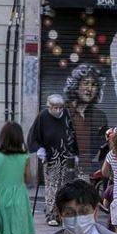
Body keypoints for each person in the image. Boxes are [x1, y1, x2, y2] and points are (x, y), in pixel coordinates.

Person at [25, 93, 76, 226]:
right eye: (55, 107)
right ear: (49, 106)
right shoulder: (43, 116)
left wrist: (75, 153)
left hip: (64, 157)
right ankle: (51, 215)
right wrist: (39, 150)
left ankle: (61, 213)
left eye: (60, 107)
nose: (58, 110)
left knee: (64, 187)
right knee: (52, 187)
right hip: (51, 158)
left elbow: (72, 133)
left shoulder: (66, 115)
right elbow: (33, 137)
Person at [65, 64, 111, 177]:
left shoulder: (100, 117)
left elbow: (103, 147)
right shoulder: (63, 112)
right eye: (85, 83)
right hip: (65, 169)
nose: (89, 88)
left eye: (94, 85)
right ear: (76, 86)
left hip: (88, 172)